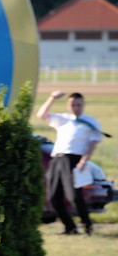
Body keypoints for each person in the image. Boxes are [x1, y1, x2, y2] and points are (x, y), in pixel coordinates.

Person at [36, 91, 103, 235]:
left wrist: (84, 160)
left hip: (74, 160)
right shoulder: (64, 119)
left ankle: (87, 226)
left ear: (83, 105)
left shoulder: (90, 122)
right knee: (53, 196)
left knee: (74, 196)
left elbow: (92, 143)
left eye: (78, 105)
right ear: (68, 105)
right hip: (57, 159)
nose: (75, 107)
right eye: (73, 104)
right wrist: (52, 98)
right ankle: (70, 227)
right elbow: (41, 115)